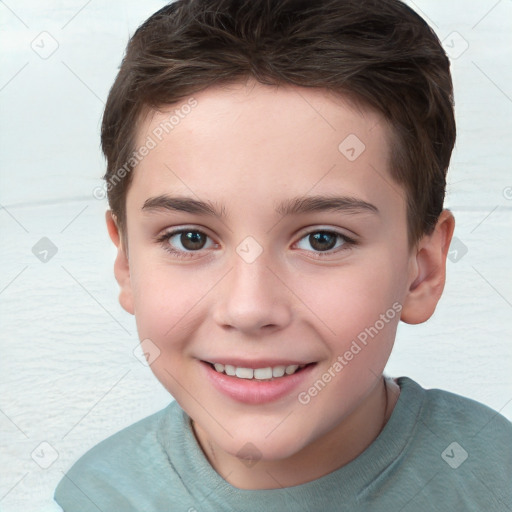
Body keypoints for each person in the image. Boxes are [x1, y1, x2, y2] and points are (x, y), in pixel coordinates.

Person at [54, 0, 512, 510]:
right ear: (126, 265)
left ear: (421, 271)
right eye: (190, 238)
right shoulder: (93, 496)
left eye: (323, 239)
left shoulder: (494, 476)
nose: (249, 309)